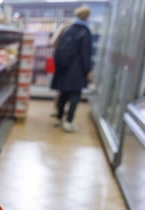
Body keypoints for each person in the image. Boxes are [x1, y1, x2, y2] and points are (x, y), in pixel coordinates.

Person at [51, 5, 93, 133]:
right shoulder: (85, 32)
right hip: (77, 70)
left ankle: (58, 117)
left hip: (64, 67)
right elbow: (86, 54)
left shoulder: (68, 29)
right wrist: (88, 70)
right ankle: (69, 121)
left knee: (63, 93)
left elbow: (57, 48)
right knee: (75, 95)